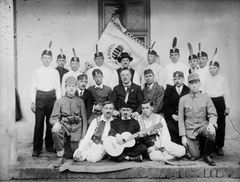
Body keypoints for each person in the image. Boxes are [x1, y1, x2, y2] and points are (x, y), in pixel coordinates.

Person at [178, 73, 218, 166]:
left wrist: (211, 124)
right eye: (191, 83)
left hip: (202, 126)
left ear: (200, 84)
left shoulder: (206, 97)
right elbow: (180, 119)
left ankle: (207, 155)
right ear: (188, 85)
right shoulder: (183, 99)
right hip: (190, 129)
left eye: (196, 83)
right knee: (194, 156)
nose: (194, 85)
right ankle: (196, 149)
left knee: (212, 132)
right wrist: (183, 136)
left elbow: (213, 114)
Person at [30, 45, 61, 157]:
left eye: (48, 58)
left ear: (51, 59)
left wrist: (58, 102)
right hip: (40, 98)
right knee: (38, 124)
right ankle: (37, 148)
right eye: (44, 58)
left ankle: (49, 145)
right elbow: (33, 87)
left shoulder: (55, 72)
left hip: (51, 98)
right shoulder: (36, 71)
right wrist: (33, 101)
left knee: (50, 123)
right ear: (41, 59)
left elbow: (58, 87)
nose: (46, 60)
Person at [50, 76, 87, 167]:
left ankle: (67, 150)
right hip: (65, 127)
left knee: (72, 155)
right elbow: (53, 118)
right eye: (69, 86)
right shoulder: (59, 101)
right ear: (65, 87)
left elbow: (84, 120)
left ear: (76, 87)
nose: (71, 88)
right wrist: (56, 123)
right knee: (56, 130)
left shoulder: (80, 101)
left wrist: (83, 137)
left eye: (73, 86)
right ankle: (59, 156)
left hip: (77, 129)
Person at [202, 61, 230, 156]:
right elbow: (204, 92)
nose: (212, 70)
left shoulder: (223, 79)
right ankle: (212, 145)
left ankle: (220, 146)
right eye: (210, 68)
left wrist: (228, 107)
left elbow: (227, 93)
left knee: (221, 124)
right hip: (209, 101)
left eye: (214, 68)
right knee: (210, 123)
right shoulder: (205, 79)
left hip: (219, 101)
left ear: (218, 69)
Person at [163, 71, 190, 145]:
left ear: (183, 79)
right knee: (172, 129)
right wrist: (172, 114)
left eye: (179, 78)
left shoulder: (188, 90)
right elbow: (166, 106)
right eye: (175, 79)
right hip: (173, 116)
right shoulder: (169, 90)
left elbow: (190, 106)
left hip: (185, 116)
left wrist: (182, 116)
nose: (177, 81)